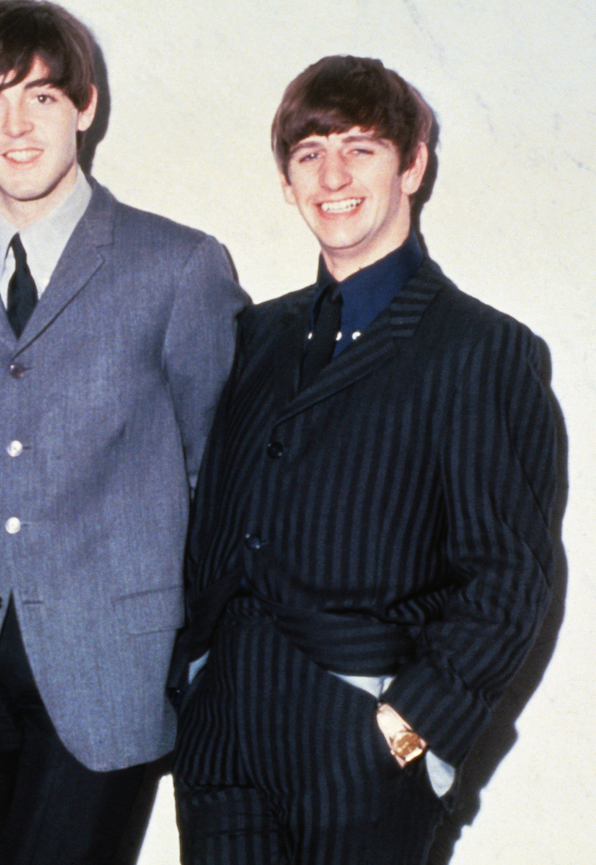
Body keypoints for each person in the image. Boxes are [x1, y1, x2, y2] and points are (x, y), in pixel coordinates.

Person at [169, 55, 557, 865]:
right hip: (220, 734)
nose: (332, 174)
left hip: (360, 735)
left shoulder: (480, 349)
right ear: (286, 180)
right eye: (309, 154)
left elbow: (509, 574)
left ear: (413, 165)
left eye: (361, 147)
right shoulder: (256, 338)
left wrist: (415, 726)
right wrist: (194, 678)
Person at [0, 0, 247, 863]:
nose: (16, 126)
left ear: (86, 106)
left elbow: (220, 471)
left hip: (109, 662)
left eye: (42, 97)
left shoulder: (179, 265)